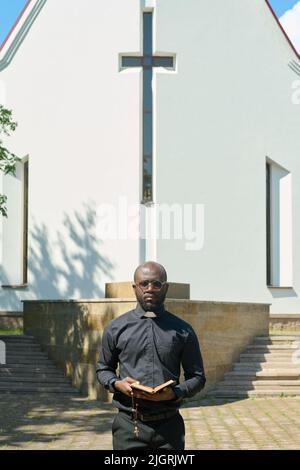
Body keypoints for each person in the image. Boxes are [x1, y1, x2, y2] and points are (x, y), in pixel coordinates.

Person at [96, 261, 206, 450]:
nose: (150, 289)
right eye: (144, 284)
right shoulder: (116, 328)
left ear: (166, 287)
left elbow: (197, 377)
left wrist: (176, 392)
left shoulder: (183, 330)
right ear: (134, 287)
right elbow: (103, 369)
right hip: (129, 426)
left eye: (157, 284)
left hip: (170, 427)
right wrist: (117, 384)